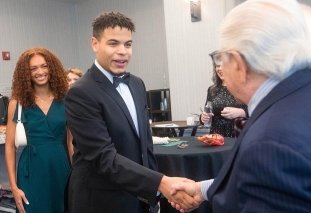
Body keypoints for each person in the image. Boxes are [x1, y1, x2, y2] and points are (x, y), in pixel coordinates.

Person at [169, 0, 311, 212]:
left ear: (239, 64)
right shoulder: (307, 96)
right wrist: (202, 189)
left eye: (221, 58)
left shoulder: (271, 143)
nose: (220, 67)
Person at [64, 12, 195, 213]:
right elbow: (103, 157)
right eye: (113, 43)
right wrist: (160, 183)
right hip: (102, 200)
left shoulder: (137, 84)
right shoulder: (80, 93)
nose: (122, 51)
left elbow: (146, 145)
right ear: (95, 44)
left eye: (128, 44)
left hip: (139, 197)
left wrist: (154, 197)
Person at [5, 47, 71, 213]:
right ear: (26, 73)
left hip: (61, 168)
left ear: (52, 68)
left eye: (44, 66)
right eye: (33, 68)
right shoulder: (17, 103)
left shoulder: (66, 100)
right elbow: (9, 147)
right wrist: (13, 187)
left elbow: (71, 143)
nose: (40, 72)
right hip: (31, 172)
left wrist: (78, 175)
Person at [200, 60, 247, 137]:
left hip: (238, 137)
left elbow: (258, 112)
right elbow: (207, 113)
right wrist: (203, 118)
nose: (220, 68)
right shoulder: (212, 90)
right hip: (216, 139)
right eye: (218, 66)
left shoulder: (244, 88)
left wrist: (242, 112)